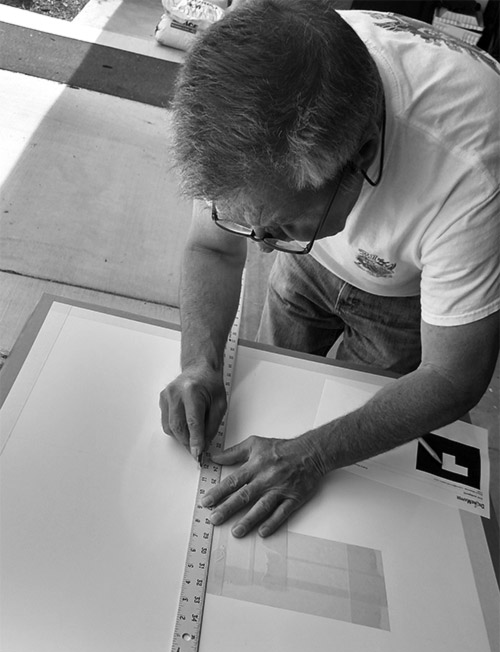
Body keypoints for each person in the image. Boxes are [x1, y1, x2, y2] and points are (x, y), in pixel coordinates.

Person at [159, 0, 499, 539]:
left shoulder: (473, 173)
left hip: (406, 299)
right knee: (276, 395)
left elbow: (453, 376)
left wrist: (313, 455)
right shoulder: (247, 104)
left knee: (359, 438)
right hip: (315, 253)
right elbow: (214, 249)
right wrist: (199, 364)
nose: (262, 250)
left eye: (282, 226)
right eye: (249, 224)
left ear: (362, 157)